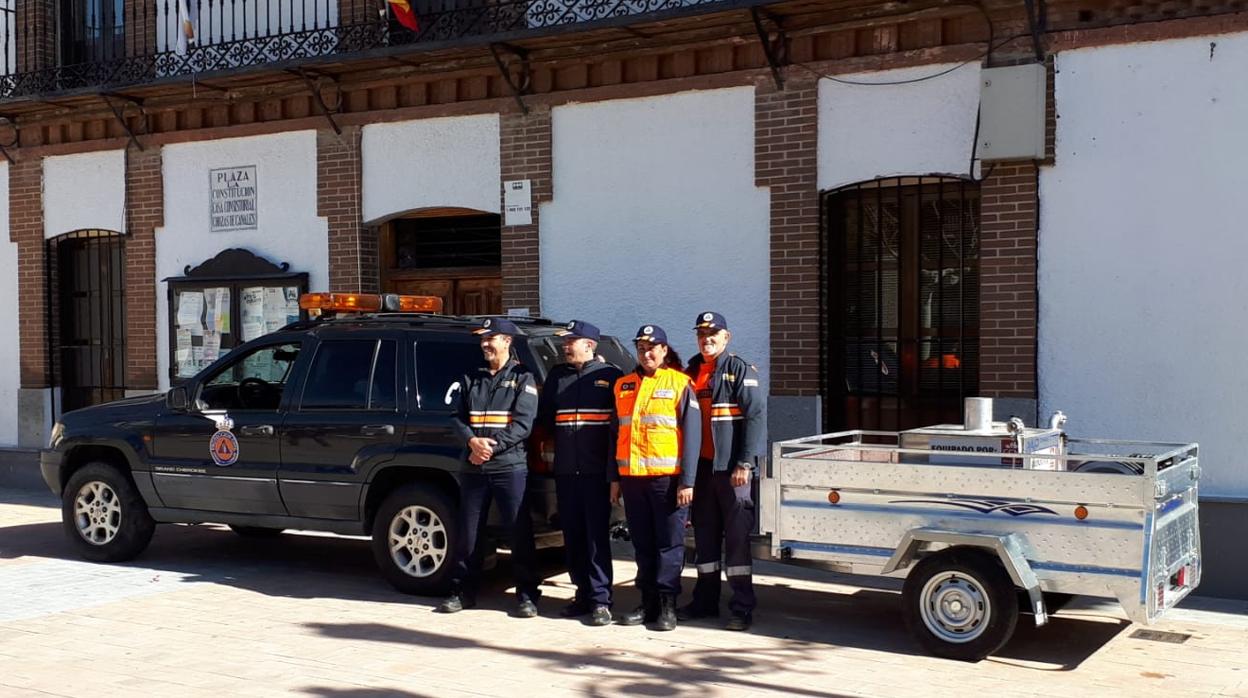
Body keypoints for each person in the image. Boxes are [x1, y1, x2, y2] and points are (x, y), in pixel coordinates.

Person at [439, 317, 542, 618]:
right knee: (468, 534)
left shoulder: (524, 377)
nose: (484, 343)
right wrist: (472, 442)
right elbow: (456, 417)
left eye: (491, 338)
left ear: (507, 342)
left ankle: (527, 595)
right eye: (482, 339)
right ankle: (462, 591)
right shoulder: (471, 376)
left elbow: (524, 424)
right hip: (474, 467)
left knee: (519, 533)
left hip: (509, 467)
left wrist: (488, 447)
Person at [679, 311, 764, 631]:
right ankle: (705, 600)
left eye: (713, 333)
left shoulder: (739, 369)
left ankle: (742, 606)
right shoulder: (690, 372)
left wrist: (745, 463)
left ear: (726, 338)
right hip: (701, 470)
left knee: (738, 540)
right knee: (705, 538)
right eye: (701, 334)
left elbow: (755, 417)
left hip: (731, 471)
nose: (707, 338)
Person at [614, 324, 701, 631]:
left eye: (652, 347)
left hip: (667, 481)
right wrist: (616, 479)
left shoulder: (680, 384)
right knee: (643, 543)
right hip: (633, 479)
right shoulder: (623, 385)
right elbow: (618, 434)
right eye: (641, 348)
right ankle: (647, 602)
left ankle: (667, 605)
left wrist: (687, 481)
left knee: (669, 544)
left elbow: (693, 437)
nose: (646, 353)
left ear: (664, 350)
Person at [536, 320, 623, 627]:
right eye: (566, 341)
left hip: (596, 473)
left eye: (571, 341)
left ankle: (601, 600)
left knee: (596, 537)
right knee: (572, 536)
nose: (565, 345)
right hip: (565, 473)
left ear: (589, 344)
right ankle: (582, 594)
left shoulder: (609, 376)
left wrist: (615, 475)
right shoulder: (557, 377)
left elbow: (618, 431)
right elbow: (544, 420)